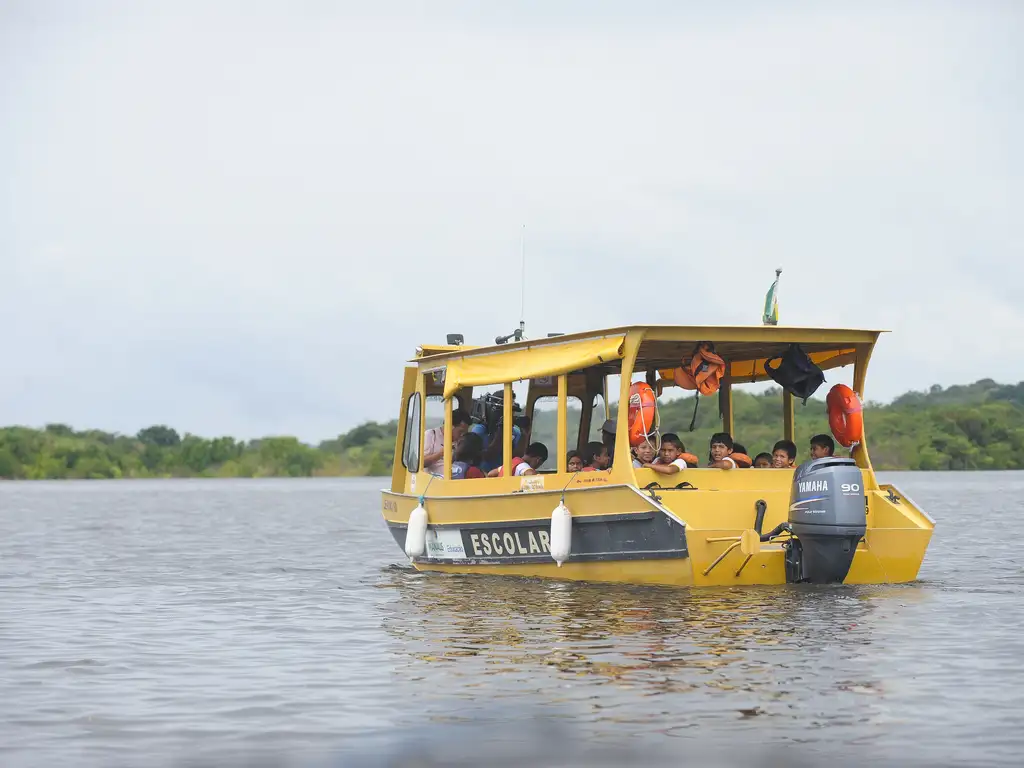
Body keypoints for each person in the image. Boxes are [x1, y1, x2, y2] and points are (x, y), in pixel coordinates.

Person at [423, 408, 472, 475]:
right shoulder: (431, 435)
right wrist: (440, 454)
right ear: (451, 426)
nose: (462, 435)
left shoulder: (459, 441)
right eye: (460, 431)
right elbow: (422, 463)